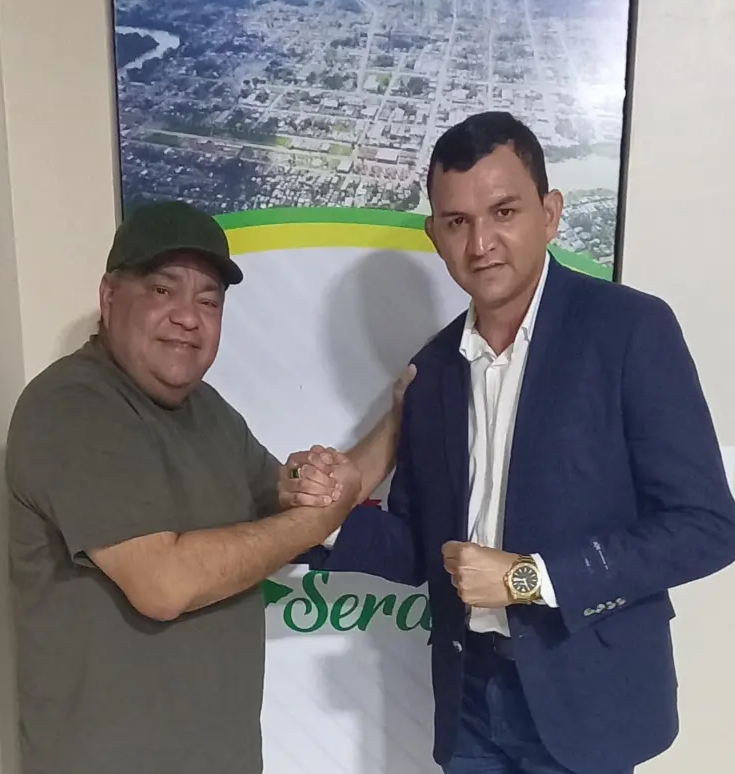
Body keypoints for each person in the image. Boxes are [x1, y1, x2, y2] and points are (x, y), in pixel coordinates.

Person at [279, 111, 735, 774]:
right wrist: (322, 521)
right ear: (435, 235)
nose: (481, 243)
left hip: (589, 699)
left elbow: (706, 525)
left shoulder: (629, 330)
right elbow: (422, 546)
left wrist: (528, 578)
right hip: (470, 697)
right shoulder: (433, 371)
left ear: (550, 214)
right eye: (457, 221)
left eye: (504, 212)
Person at [5, 200, 410, 774]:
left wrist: (398, 422)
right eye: (162, 290)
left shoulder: (208, 412)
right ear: (109, 297)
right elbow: (163, 584)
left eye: (208, 301)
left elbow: (304, 504)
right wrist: (313, 518)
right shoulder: (72, 406)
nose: (188, 318)